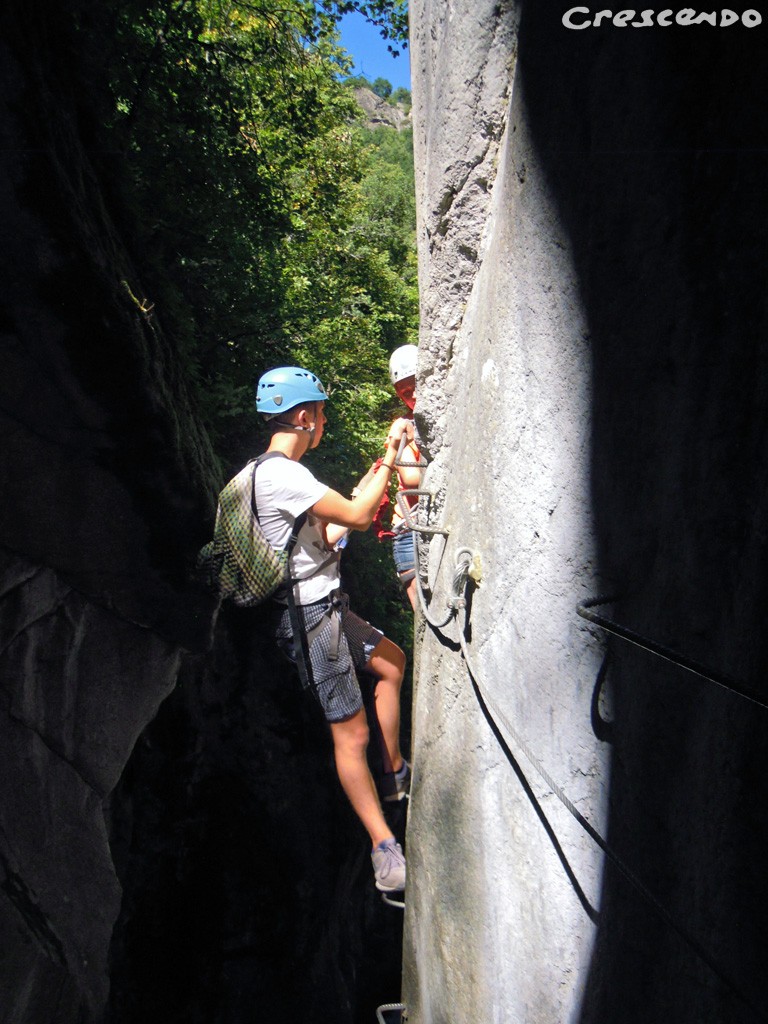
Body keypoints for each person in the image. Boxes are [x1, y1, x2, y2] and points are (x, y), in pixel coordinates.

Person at [253, 365, 412, 894]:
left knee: (391, 662)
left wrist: (375, 473)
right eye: (319, 413)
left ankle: (392, 774)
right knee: (351, 734)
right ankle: (382, 848)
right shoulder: (282, 476)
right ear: (304, 416)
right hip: (307, 621)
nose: (322, 423)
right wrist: (391, 454)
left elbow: (336, 522)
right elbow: (361, 518)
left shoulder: (266, 475)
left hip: (324, 608)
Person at [386, 344, 421, 611]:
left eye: (416, 386)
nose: (413, 397)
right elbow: (410, 477)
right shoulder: (403, 426)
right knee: (422, 608)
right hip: (408, 529)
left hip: (424, 524)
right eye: (405, 392)